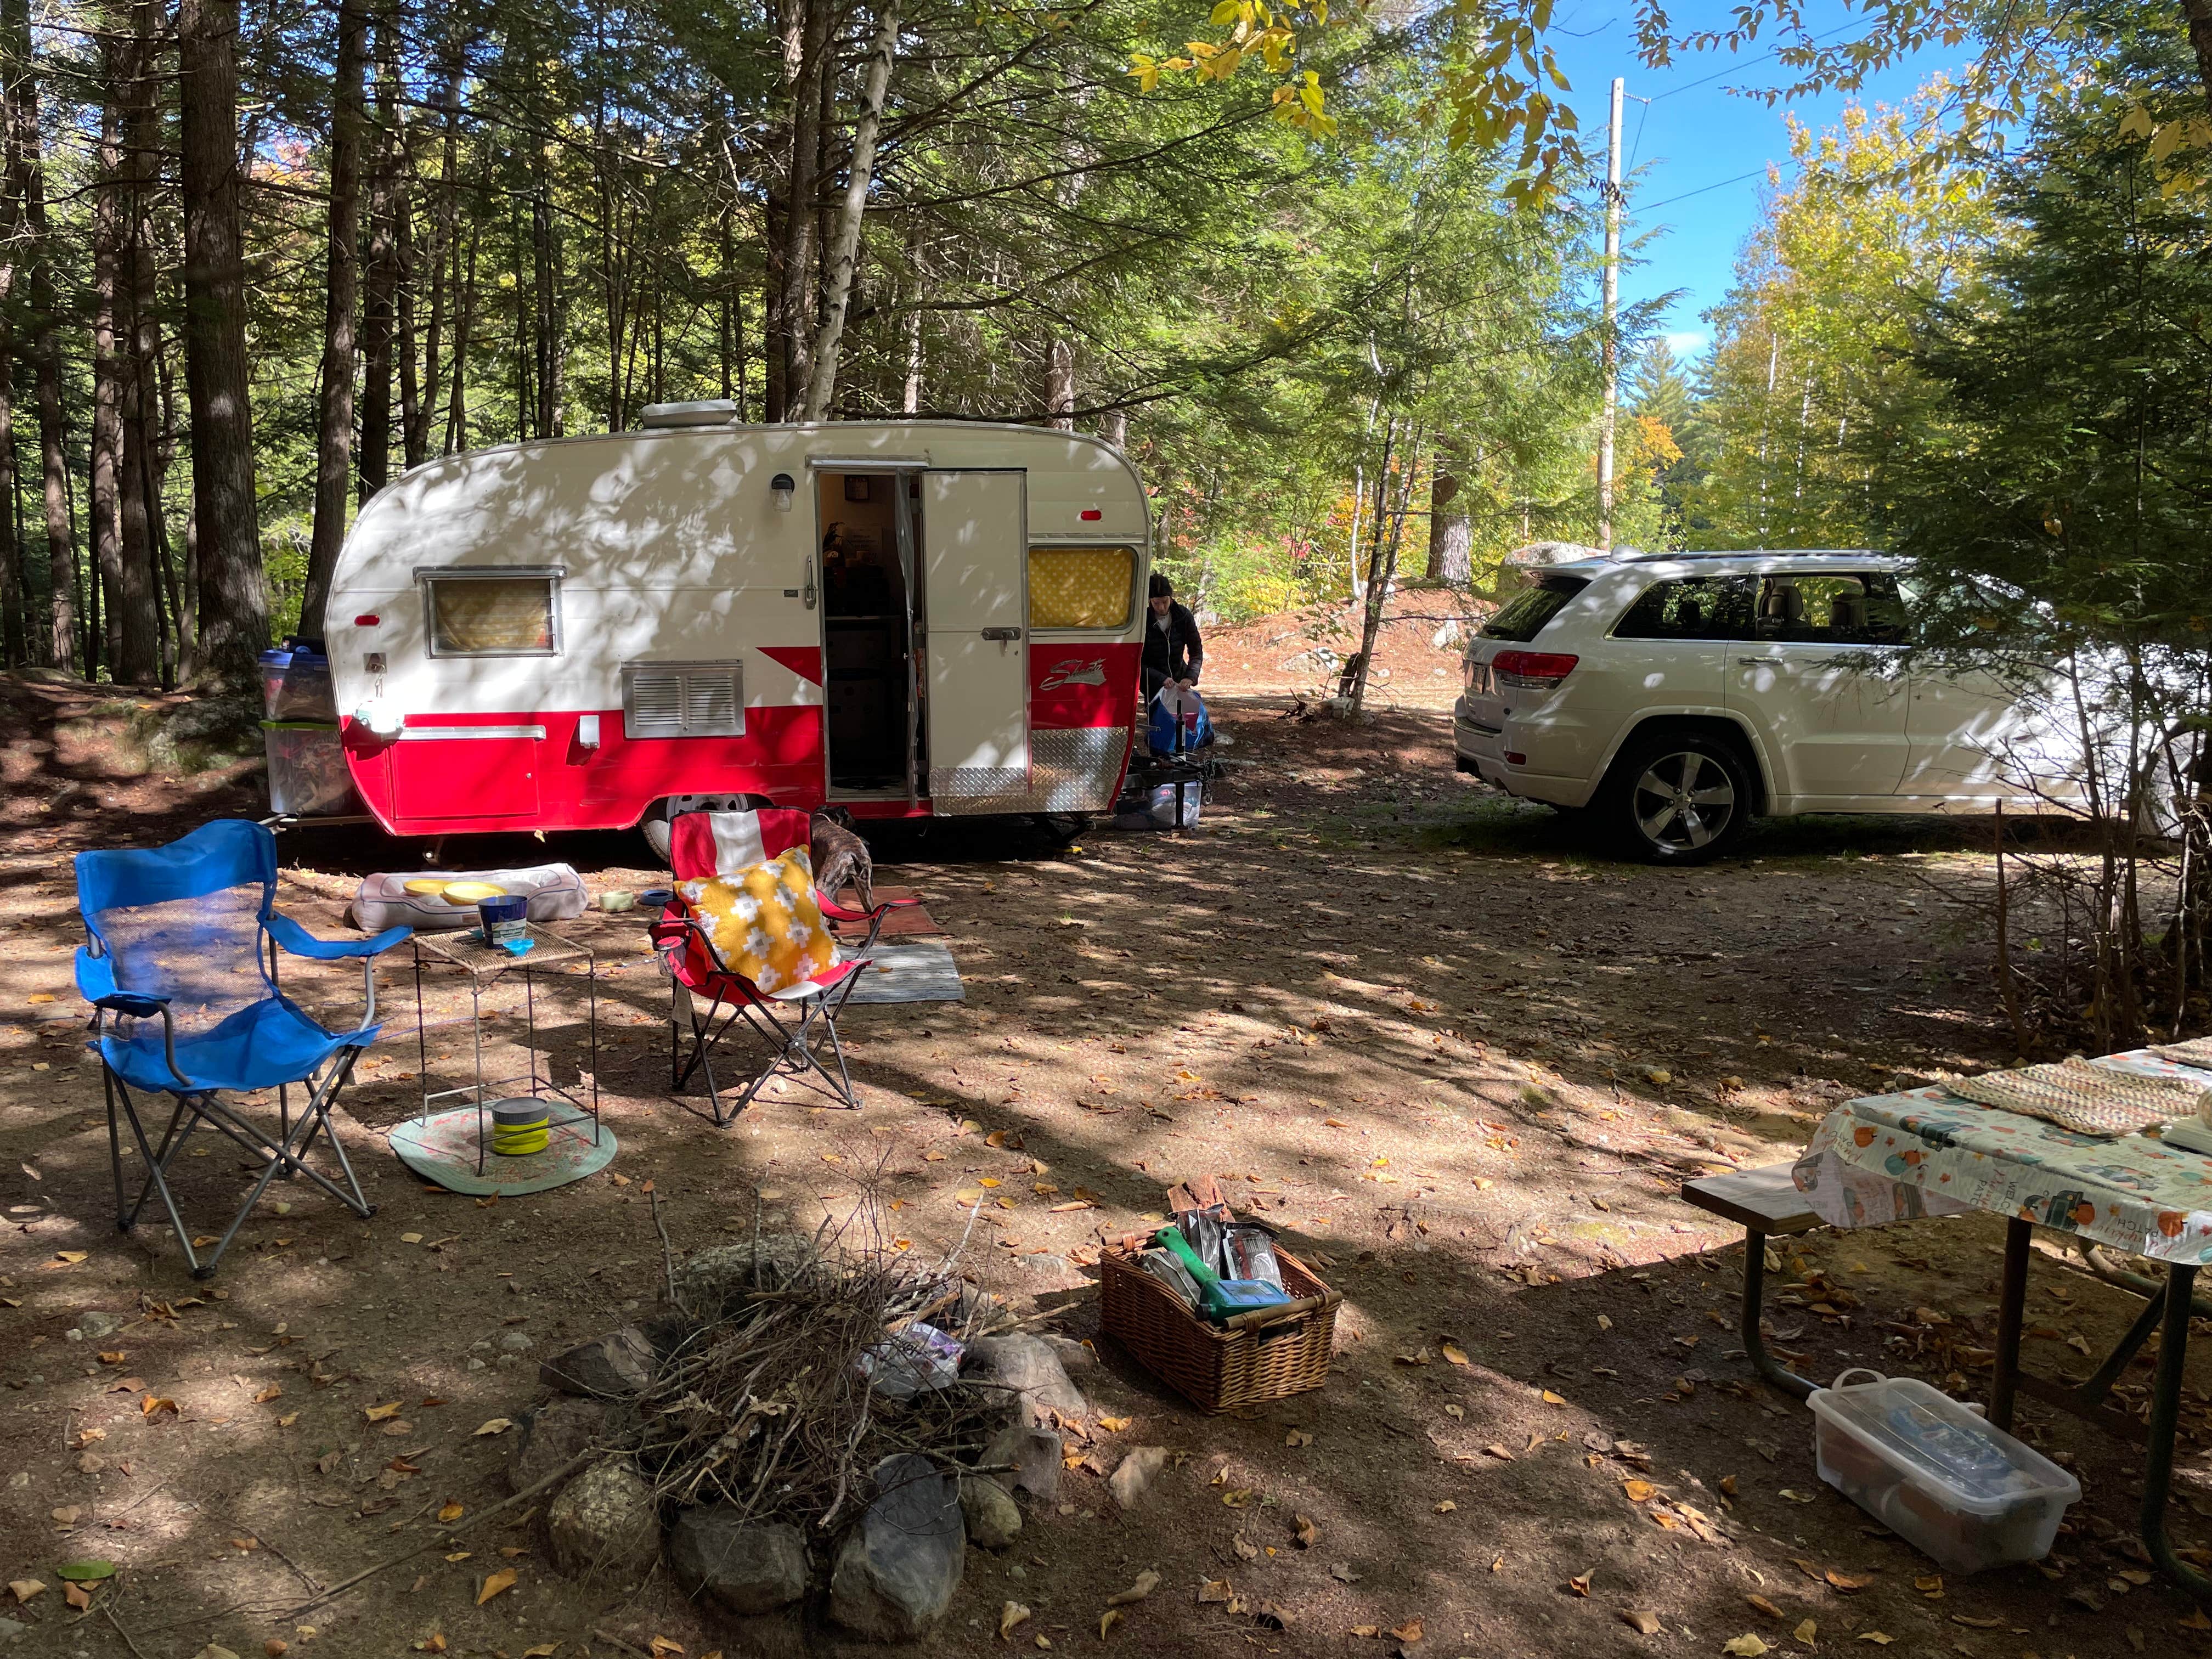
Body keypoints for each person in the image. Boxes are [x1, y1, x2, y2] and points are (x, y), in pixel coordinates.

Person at [1141, 573, 1203, 704]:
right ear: (1150, 601)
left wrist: (1190, 677)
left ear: (1171, 598)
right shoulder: (1143, 620)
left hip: (1179, 681)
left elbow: (1196, 651)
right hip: (1153, 686)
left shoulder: (1183, 616)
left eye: (1165, 602)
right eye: (1156, 603)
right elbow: (1138, 661)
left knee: (1183, 720)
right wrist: (1160, 678)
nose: (1161, 608)